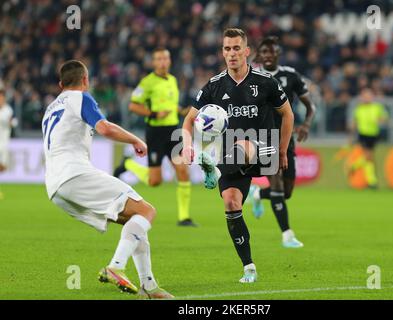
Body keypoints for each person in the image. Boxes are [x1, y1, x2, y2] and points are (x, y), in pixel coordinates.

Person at [43, 60, 173, 299]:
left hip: (55, 188)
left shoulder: (51, 108)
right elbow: (104, 128)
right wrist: (135, 140)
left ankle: (149, 286)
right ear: (85, 80)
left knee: (135, 220)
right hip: (74, 174)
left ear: (61, 84)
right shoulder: (80, 97)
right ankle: (116, 266)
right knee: (146, 212)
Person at [182, 28, 294, 283]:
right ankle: (249, 267)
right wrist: (188, 145)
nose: (231, 54)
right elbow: (188, 121)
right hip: (231, 157)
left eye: (235, 48)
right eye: (226, 49)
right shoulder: (214, 85)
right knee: (231, 203)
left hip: (265, 150)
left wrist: (284, 149)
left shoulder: (265, 82)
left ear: (246, 51)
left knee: (242, 143)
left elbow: (287, 114)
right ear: (222, 52)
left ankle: (216, 170)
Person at [113, 48, 196, 227]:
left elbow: (170, 105)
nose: (163, 62)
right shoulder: (147, 82)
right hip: (156, 133)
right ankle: (127, 164)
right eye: (159, 59)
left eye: (166, 58)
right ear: (154, 62)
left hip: (173, 132)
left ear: (170, 61)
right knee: (154, 181)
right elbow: (133, 106)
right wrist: (154, 114)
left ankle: (184, 217)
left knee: (183, 170)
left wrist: (182, 110)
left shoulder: (173, 80)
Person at [248, 36, 316, 248]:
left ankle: (258, 193)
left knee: (286, 192)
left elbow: (310, 106)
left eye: (272, 52)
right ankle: (287, 235)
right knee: (276, 183)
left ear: (278, 54)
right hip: (263, 137)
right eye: (264, 52)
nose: (268, 55)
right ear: (259, 55)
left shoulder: (291, 75)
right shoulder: (252, 77)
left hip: (287, 138)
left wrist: (305, 124)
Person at [348, 87, 388, 188]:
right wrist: (351, 135)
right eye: (365, 95)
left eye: (369, 95)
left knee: (369, 158)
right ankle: (372, 181)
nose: (367, 97)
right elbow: (354, 123)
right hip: (363, 134)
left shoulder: (377, 107)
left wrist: (380, 119)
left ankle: (355, 166)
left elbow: (385, 118)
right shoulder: (359, 109)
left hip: (374, 134)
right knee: (368, 156)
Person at [0, 89, 14, 199]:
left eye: (1, 97)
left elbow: (9, 122)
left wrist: (12, 122)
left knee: (3, 167)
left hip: (4, 142)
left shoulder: (8, 110)